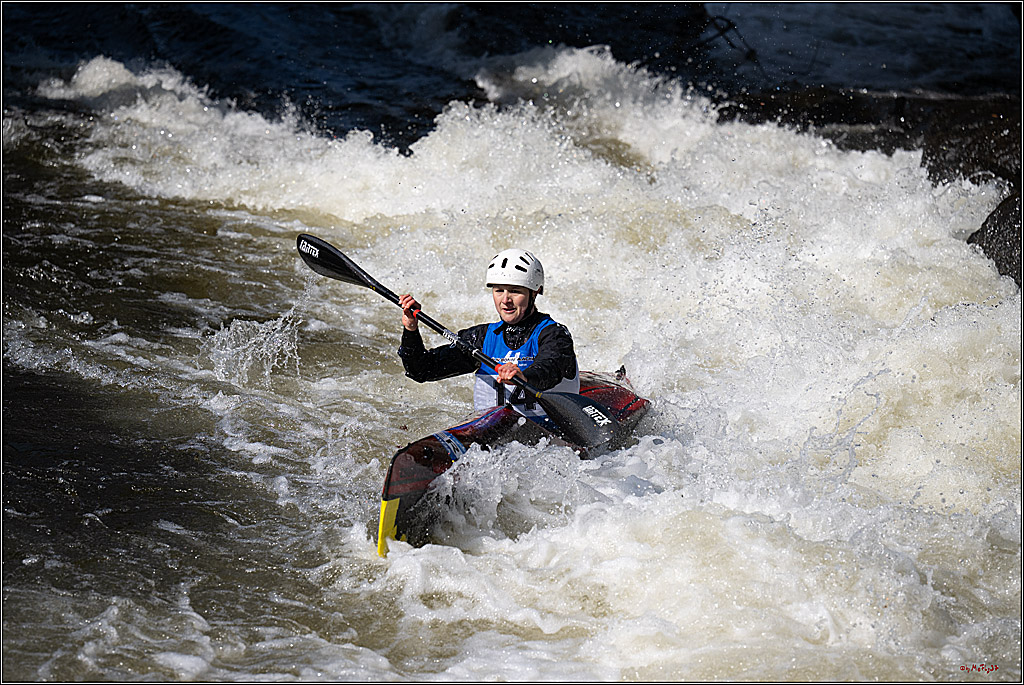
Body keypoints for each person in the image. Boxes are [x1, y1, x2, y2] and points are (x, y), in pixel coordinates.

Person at [397, 248, 579, 425]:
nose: (505, 300)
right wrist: (411, 329)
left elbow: (550, 367)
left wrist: (524, 376)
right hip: (492, 432)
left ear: (534, 292)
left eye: (515, 291)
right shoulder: (481, 338)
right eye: (499, 290)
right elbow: (420, 370)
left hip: (546, 432)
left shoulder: (554, 335)